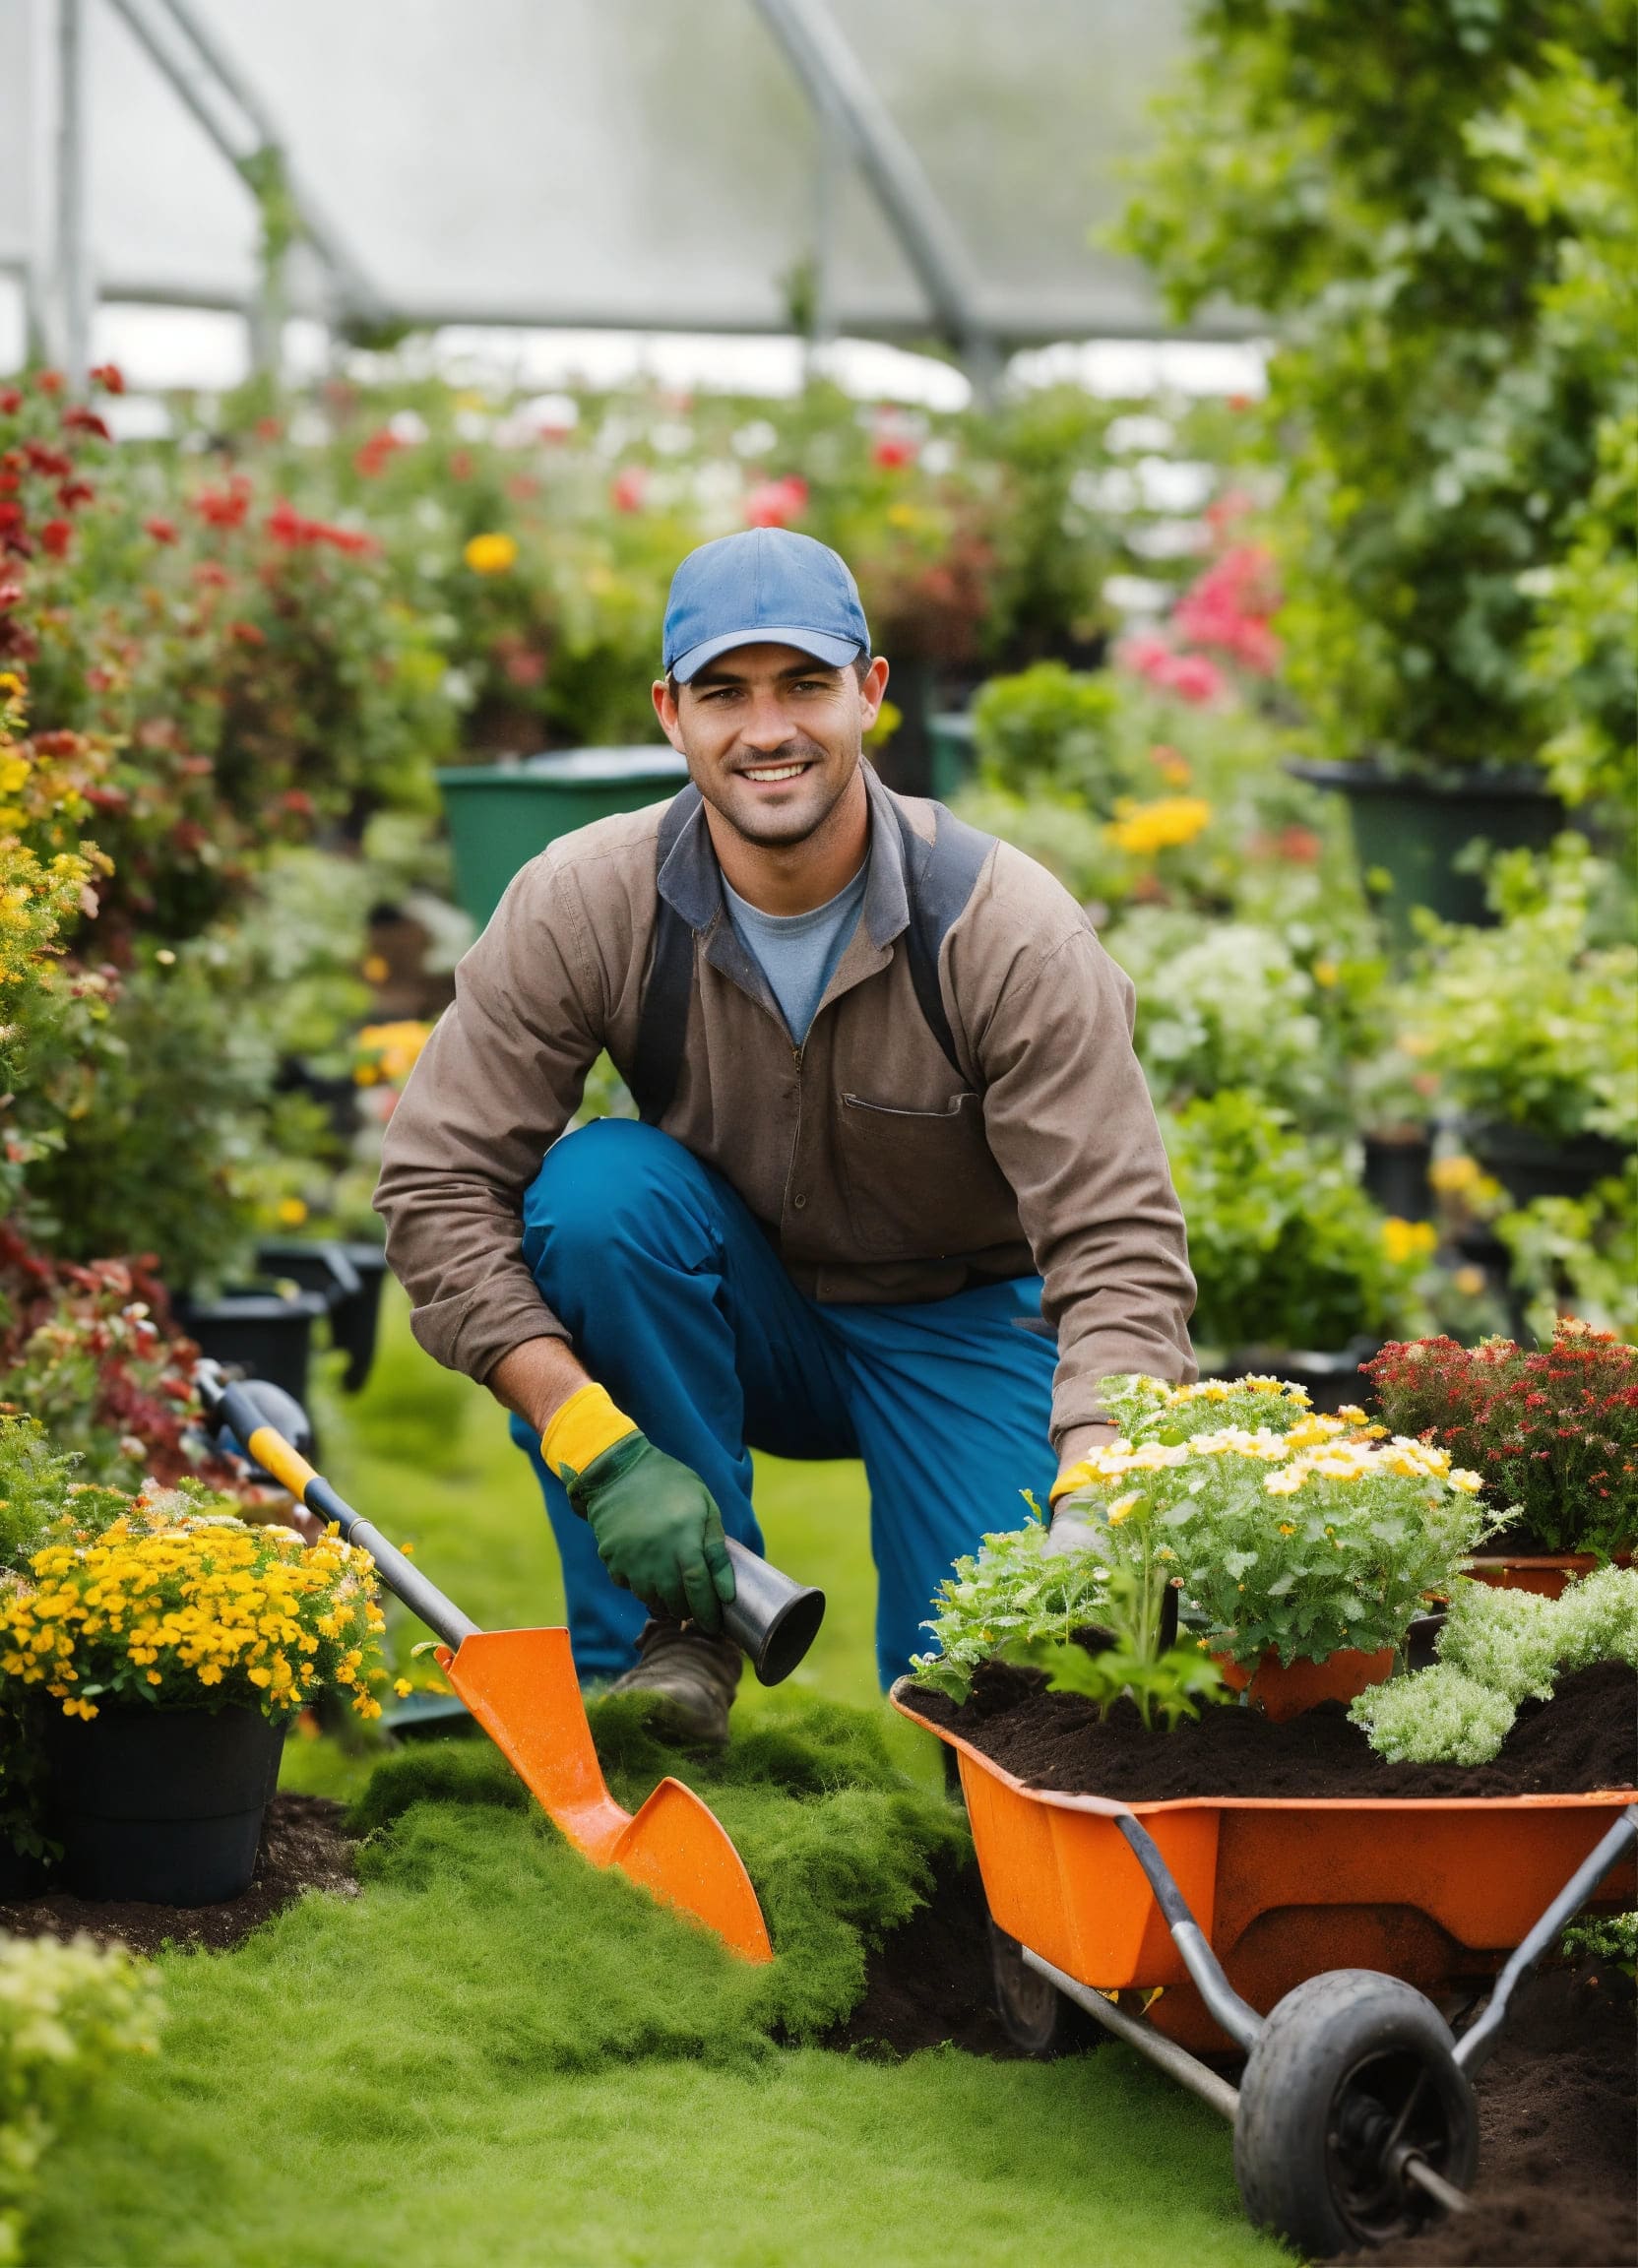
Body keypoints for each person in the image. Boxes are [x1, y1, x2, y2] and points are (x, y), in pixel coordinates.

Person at [375, 527, 1196, 1746]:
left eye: (803, 685)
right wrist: (596, 1446)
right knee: (597, 1198)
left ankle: (996, 1759)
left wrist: (1095, 1493)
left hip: (960, 1322)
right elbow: (438, 1188)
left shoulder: (1002, 931)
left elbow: (1117, 1243)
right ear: (671, 714)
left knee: (997, 1694)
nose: (767, 729)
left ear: (869, 694)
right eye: (725, 693)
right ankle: (672, 1652)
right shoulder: (584, 901)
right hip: (724, 1304)